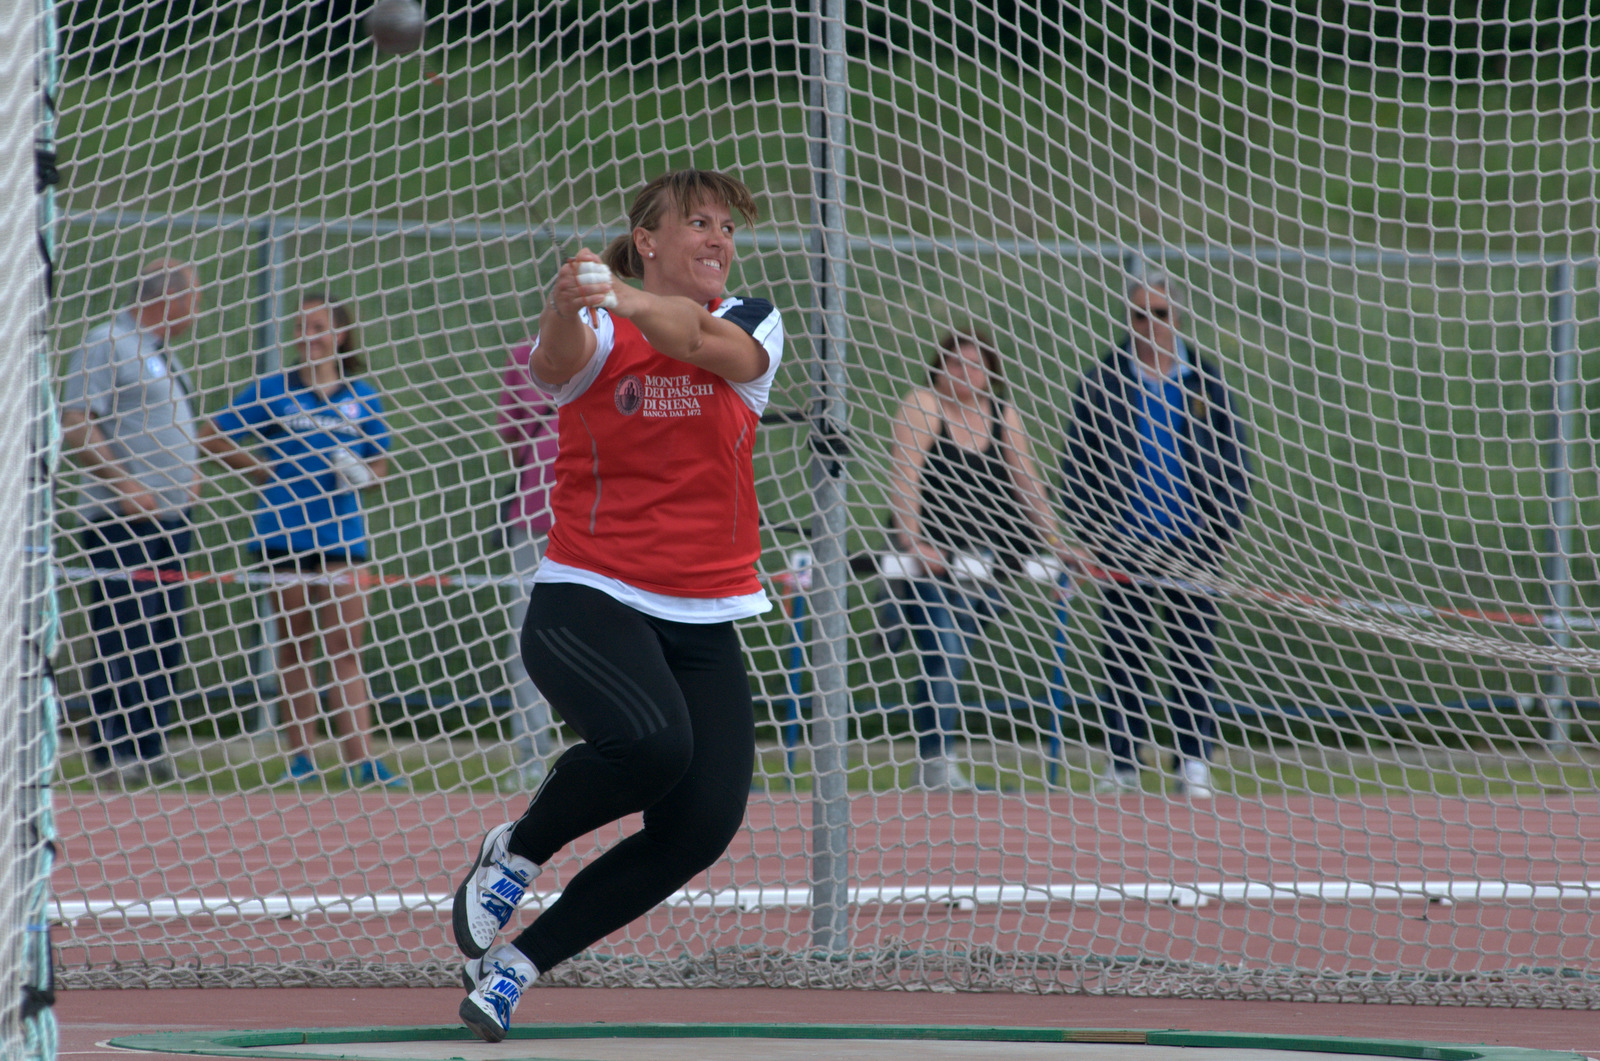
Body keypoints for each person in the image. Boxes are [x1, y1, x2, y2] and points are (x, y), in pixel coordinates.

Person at [451, 169, 784, 1043]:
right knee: (651, 744)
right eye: (698, 224)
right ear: (648, 239)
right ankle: (516, 851)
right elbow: (552, 363)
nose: (719, 239)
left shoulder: (751, 320)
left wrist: (627, 297)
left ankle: (517, 966)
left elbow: (702, 343)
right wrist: (569, 302)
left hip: (704, 613)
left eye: (726, 227)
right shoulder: (600, 328)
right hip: (589, 595)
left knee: (702, 824)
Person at [1060, 273, 1252, 800]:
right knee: (1125, 657)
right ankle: (1122, 763)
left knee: (1192, 658)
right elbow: (1077, 463)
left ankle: (1192, 761)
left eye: (1161, 314)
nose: (1150, 325)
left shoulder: (1205, 381)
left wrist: (1219, 531)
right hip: (1125, 544)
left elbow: (1235, 461)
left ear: (1178, 318)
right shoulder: (1102, 380)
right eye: (1141, 314)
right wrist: (1094, 533)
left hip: (1193, 544)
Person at [199, 294, 402, 788]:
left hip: (343, 538)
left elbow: (379, 463)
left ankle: (363, 761)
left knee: (346, 647)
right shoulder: (274, 390)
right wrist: (264, 471)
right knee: (294, 647)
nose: (308, 336)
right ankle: (302, 759)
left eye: (317, 326)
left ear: (339, 335)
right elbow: (211, 436)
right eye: (302, 327)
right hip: (282, 535)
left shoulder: (362, 395)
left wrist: (362, 476)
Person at [885, 328, 1071, 791]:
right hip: (932, 556)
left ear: (991, 374)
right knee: (944, 651)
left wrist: (1058, 544)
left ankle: (932, 756)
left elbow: (1027, 484)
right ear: (939, 367)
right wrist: (913, 542)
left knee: (951, 655)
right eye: (956, 364)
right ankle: (936, 762)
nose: (965, 375)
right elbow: (903, 478)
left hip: (985, 561)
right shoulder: (923, 406)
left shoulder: (1002, 414)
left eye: (976, 366)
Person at [59, 259, 205, 788]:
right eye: (194, 297)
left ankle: (150, 745)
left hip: (171, 520)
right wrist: (125, 484)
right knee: (124, 628)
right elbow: (76, 421)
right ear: (168, 299)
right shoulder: (109, 342)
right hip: (121, 521)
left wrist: (186, 475)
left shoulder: (163, 352)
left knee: (164, 633)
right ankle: (113, 751)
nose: (199, 310)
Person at [494, 341, 559, 791]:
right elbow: (510, 436)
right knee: (527, 645)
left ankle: (615, 750)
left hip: (608, 519)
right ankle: (532, 757)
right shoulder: (524, 355)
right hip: (535, 520)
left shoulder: (627, 343)